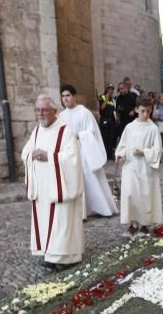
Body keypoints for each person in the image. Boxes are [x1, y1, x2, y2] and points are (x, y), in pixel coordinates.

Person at [21, 94, 84, 268]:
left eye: (44, 110)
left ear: (54, 111)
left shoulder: (65, 131)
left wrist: (49, 157)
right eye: (38, 110)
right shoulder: (37, 131)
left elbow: (73, 159)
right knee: (45, 220)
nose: (40, 114)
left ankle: (66, 258)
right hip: (42, 188)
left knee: (61, 221)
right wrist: (30, 156)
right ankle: (49, 255)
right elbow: (25, 152)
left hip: (60, 185)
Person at [59, 84, 117, 219]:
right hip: (69, 151)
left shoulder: (84, 112)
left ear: (74, 97)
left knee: (90, 178)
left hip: (84, 150)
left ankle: (100, 207)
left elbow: (92, 131)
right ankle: (79, 211)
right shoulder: (61, 116)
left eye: (68, 96)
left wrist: (79, 135)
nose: (65, 99)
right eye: (63, 96)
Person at [115, 96, 163, 235]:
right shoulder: (129, 127)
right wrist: (120, 154)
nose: (146, 114)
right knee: (130, 194)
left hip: (145, 167)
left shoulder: (153, 128)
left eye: (148, 111)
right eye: (143, 111)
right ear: (136, 109)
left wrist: (144, 152)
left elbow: (158, 149)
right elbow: (123, 144)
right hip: (130, 166)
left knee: (144, 195)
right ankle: (132, 222)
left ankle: (144, 224)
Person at [98, 84, 116, 159]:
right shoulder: (102, 97)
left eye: (112, 89)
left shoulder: (113, 99)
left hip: (111, 120)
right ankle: (104, 155)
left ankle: (110, 155)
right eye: (109, 89)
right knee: (105, 138)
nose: (111, 90)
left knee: (111, 138)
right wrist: (106, 98)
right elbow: (102, 108)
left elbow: (114, 110)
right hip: (104, 120)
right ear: (106, 89)